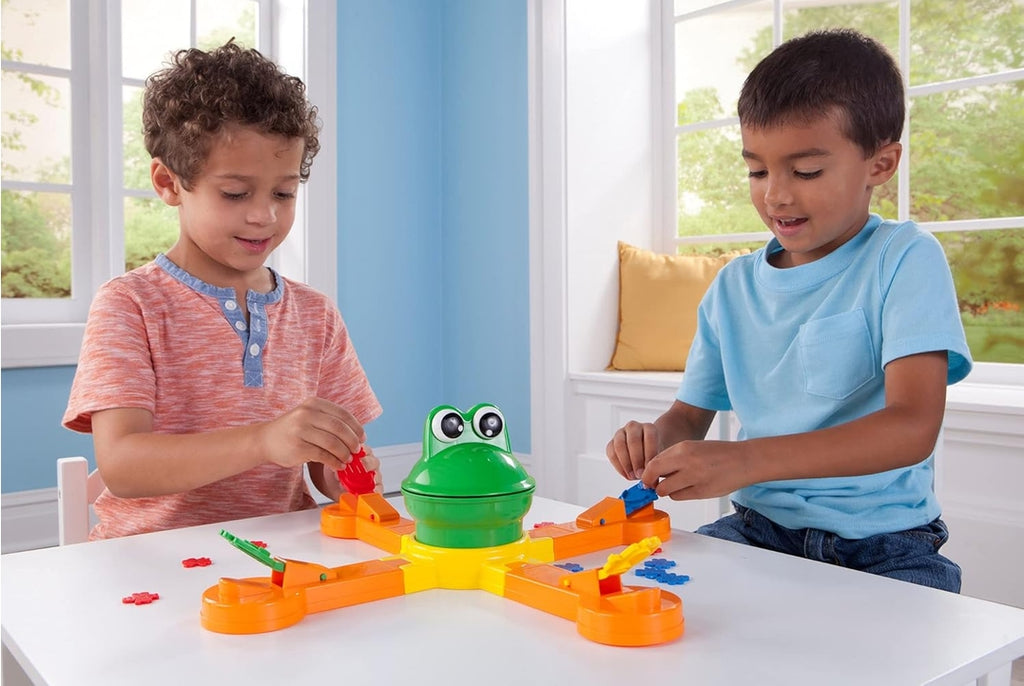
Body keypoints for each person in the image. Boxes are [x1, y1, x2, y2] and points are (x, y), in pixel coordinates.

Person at [605, 29, 972, 592]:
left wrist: (745, 461)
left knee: (923, 640)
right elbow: (688, 417)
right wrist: (654, 440)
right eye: (757, 171)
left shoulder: (904, 258)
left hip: (886, 546)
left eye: (805, 172)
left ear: (881, 163)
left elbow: (912, 427)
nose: (775, 195)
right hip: (756, 531)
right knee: (659, 613)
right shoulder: (732, 288)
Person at [63, 41, 382, 539]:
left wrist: (344, 473)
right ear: (168, 183)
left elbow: (324, 466)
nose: (264, 215)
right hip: (147, 559)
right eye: (235, 193)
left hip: (278, 554)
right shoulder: (130, 305)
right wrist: (264, 441)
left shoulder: (315, 314)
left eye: (284, 192)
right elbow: (123, 466)